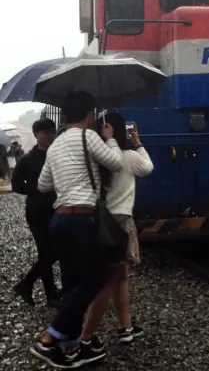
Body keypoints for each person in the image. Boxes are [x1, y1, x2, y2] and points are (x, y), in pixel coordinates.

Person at [29, 92, 124, 369]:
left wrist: (68, 175)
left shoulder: (56, 144)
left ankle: (70, 346)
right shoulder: (88, 136)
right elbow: (116, 163)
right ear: (89, 115)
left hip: (59, 220)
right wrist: (110, 139)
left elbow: (44, 184)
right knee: (92, 282)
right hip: (82, 219)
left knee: (72, 284)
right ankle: (49, 339)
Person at [81, 114, 153, 350]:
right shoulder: (129, 157)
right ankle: (85, 337)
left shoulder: (94, 158)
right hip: (120, 222)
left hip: (100, 221)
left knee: (119, 277)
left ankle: (126, 327)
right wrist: (138, 142)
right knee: (109, 280)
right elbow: (148, 168)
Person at [11, 118, 61, 307]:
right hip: (37, 211)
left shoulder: (58, 155)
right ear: (36, 134)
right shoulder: (27, 160)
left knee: (55, 251)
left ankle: (26, 284)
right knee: (46, 251)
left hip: (58, 207)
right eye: (45, 132)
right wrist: (37, 188)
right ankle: (51, 294)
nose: (49, 135)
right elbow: (16, 185)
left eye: (52, 132)